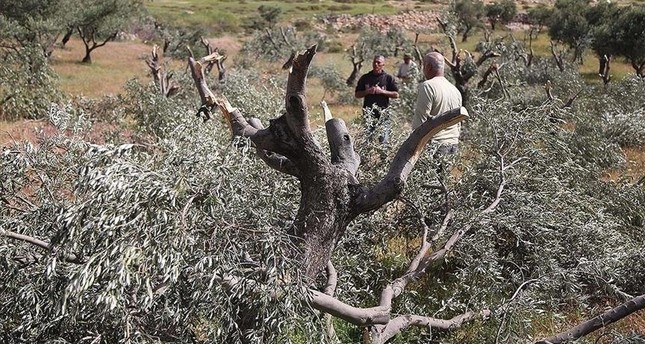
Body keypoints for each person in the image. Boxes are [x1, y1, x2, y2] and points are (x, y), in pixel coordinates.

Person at [412, 52, 462, 156]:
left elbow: (421, 121)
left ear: (429, 67)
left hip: (435, 146)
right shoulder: (454, 90)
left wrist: (413, 147)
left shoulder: (427, 86)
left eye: (423, 65)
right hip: (453, 145)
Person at [355, 55, 399, 143]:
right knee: (367, 140)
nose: (376, 64)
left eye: (378, 62)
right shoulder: (365, 78)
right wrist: (367, 91)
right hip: (369, 114)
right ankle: (367, 156)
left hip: (383, 115)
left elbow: (396, 94)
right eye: (374, 62)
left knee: (383, 141)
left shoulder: (388, 78)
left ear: (383, 64)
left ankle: (384, 157)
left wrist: (382, 92)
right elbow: (357, 94)